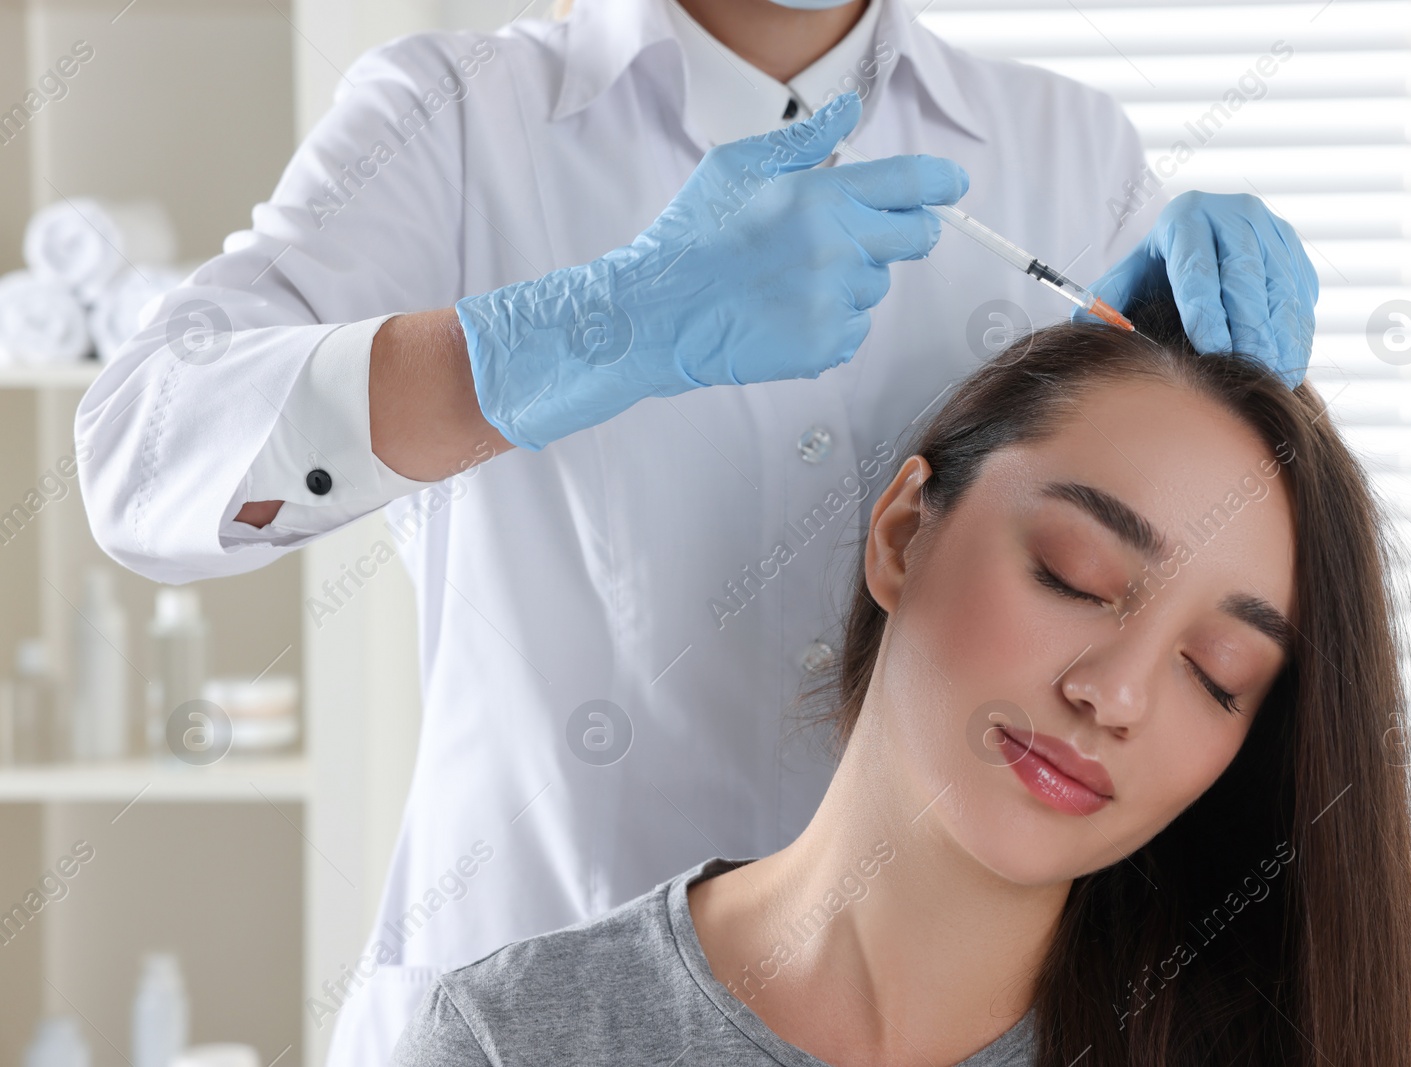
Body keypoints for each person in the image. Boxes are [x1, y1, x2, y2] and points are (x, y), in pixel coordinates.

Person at [73, 0, 1319, 1058]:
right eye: (1064, 571)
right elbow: (144, 456)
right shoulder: (459, 116)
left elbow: (1176, 598)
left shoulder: (1063, 149)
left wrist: (1191, 398)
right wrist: (588, 325)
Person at [388, 290, 1411, 1066]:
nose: (1112, 693)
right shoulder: (513, 1038)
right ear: (901, 533)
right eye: (1073, 575)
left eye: (1216, 675)